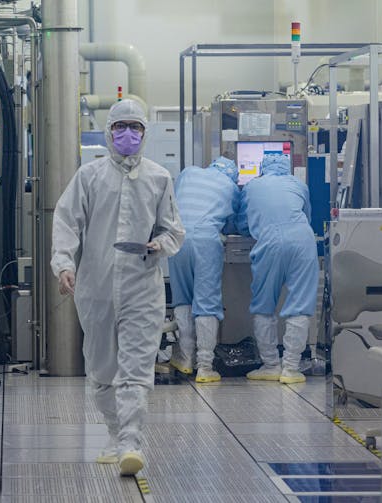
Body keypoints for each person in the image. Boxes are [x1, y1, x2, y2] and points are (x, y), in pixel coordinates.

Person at [50, 99, 185, 476]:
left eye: (136, 127)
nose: (128, 134)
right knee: (102, 368)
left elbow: (173, 228)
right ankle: (115, 434)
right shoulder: (89, 176)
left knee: (137, 368)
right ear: (109, 131)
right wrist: (63, 263)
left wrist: (161, 243)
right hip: (95, 286)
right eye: (121, 126)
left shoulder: (159, 178)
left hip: (142, 285)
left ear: (145, 132)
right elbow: (66, 220)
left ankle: (131, 442)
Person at [237, 153, 318, 384]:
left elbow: (243, 222)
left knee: (264, 304)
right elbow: (308, 216)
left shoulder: (252, 186)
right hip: (303, 241)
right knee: (300, 305)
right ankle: (291, 368)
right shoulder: (299, 184)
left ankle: (271, 365)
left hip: (269, 242)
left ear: (262, 168)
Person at [167, 157, 242, 383]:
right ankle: (205, 367)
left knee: (182, 298)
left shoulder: (188, 172)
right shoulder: (231, 187)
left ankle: (185, 358)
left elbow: (173, 202)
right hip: (205, 241)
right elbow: (232, 224)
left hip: (177, 239)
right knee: (206, 302)